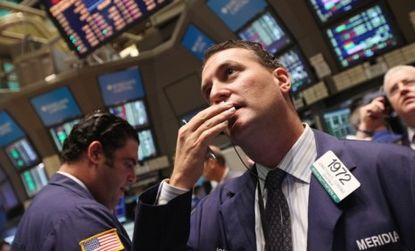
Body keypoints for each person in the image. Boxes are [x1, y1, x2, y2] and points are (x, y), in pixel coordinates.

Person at [133, 40, 415, 251]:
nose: (217, 93)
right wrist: (180, 181)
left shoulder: (392, 167)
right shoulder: (214, 210)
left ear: (281, 79)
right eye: (208, 91)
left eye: (230, 72)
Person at [12, 111, 139, 251]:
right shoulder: (83, 218)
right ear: (95, 153)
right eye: (128, 164)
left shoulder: (41, 205)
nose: (133, 177)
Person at [382, 65, 415, 149]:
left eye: (409, 82)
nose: (402, 89)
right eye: (394, 89)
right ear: (391, 104)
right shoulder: (394, 152)